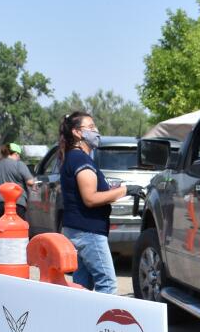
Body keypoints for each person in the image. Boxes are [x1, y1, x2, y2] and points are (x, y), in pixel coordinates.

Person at [57, 112, 145, 293]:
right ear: (77, 133)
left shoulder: (73, 157)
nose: (96, 131)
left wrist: (116, 188)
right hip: (88, 232)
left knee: (81, 286)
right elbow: (90, 198)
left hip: (77, 230)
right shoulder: (81, 159)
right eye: (90, 127)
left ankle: (80, 320)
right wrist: (125, 191)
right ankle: (104, 322)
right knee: (107, 283)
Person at [0, 142, 37, 219]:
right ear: (15, 154)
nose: (19, 157)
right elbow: (30, 181)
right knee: (16, 229)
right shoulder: (19, 164)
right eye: (19, 155)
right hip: (17, 202)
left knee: (2, 228)